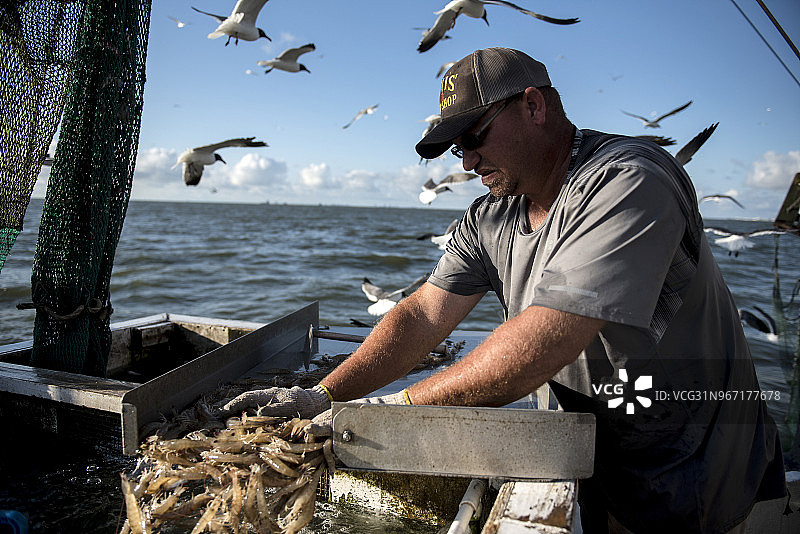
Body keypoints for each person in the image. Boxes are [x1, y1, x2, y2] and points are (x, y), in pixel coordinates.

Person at [223, 47, 786, 533]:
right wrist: (325, 395)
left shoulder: (628, 181)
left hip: (698, 473)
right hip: (596, 460)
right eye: (456, 148)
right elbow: (421, 315)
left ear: (534, 106)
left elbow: (546, 338)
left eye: (474, 137)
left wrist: (394, 410)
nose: (467, 161)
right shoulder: (489, 216)